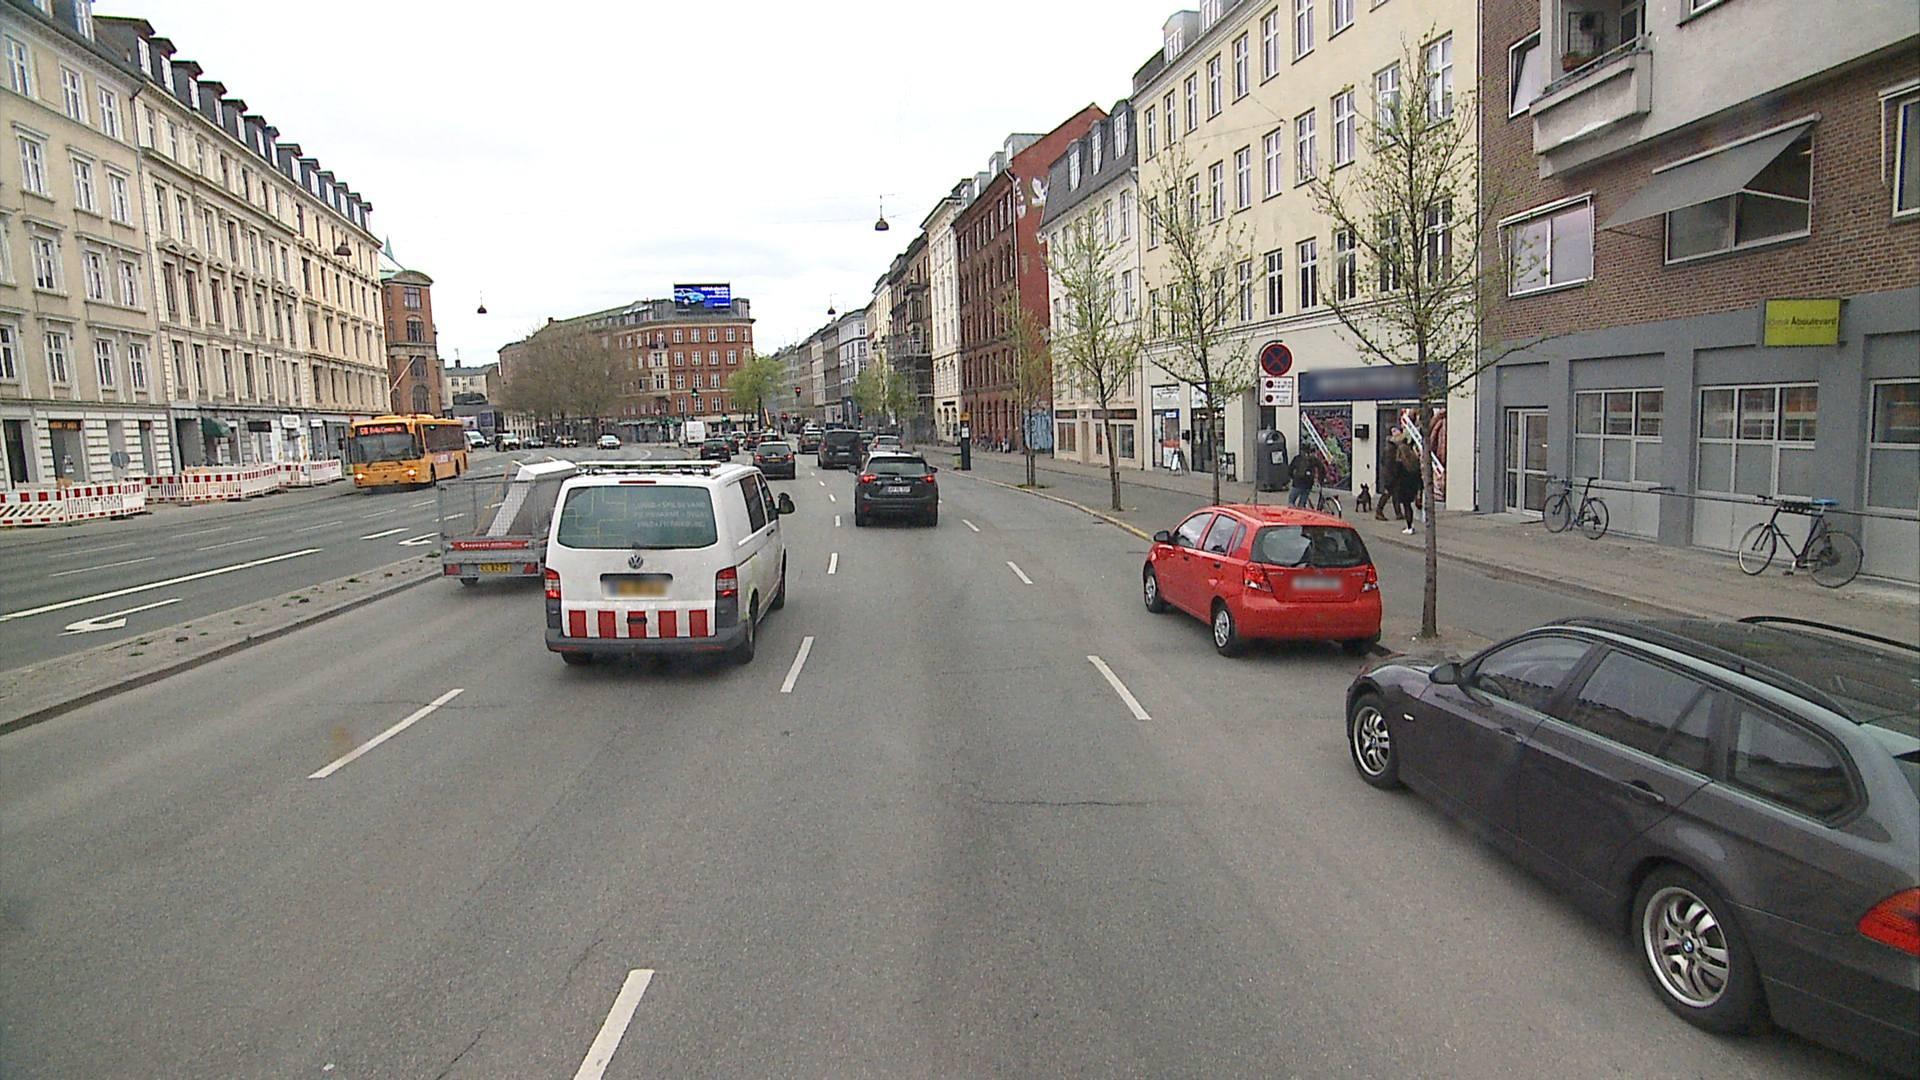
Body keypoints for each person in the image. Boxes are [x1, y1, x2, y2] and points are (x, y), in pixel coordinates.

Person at [1392, 439, 1422, 534]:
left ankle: (1409, 526)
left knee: (1407, 506)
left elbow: (1396, 476)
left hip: (1403, 487)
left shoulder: (1400, 464)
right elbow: (1419, 475)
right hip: (1413, 486)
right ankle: (1410, 525)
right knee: (1409, 506)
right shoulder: (1414, 462)